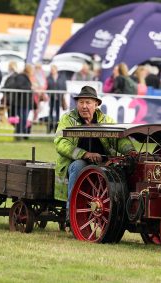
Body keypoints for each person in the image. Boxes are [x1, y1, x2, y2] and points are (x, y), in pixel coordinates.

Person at [54, 85, 136, 223]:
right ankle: (71, 214)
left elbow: (120, 139)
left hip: (103, 162)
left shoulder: (106, 121)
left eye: (88, 102)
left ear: (96, 104)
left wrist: (130, 151)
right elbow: (60, 142)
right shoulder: (67, 119)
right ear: (77, 104)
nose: (84, 106)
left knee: (121, 169)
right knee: (79, 166)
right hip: (75, 162)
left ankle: (120, 214)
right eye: (81, 102)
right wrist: (84, 154)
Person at [47, 64, 67, 133]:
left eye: (53, 69)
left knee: (58, 113)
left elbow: (64, 87)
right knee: (50, 112)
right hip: (52, 97)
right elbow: (47, 87)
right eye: (51, 70)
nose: (52, 71)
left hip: (59, 98)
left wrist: (61, 94)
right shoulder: (48, 77)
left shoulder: (61, 77)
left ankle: (56, 127)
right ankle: (49, 127)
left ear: (56, 70)